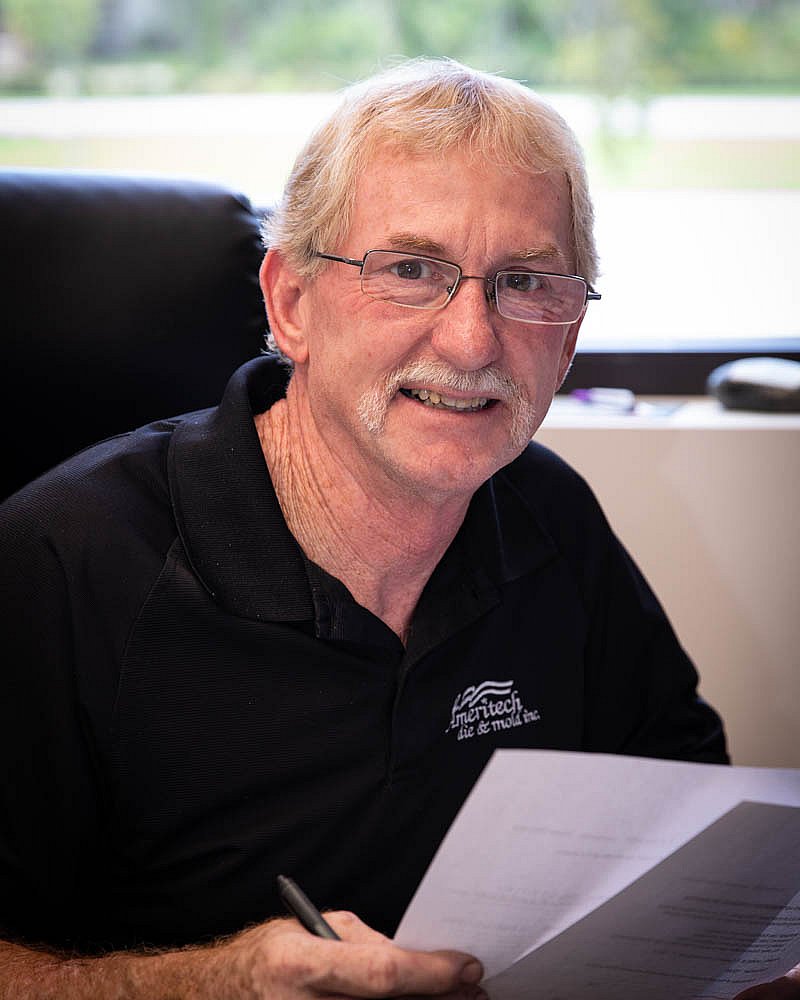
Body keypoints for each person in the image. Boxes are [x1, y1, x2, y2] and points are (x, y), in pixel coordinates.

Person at [0, 57, 795, 1000]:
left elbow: (696, 845)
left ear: (570, 335)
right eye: (411, 271)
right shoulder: (66, 558)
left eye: (525, 281)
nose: (472, 340)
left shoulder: (550, 516)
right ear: (291, 304)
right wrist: (213, 983)